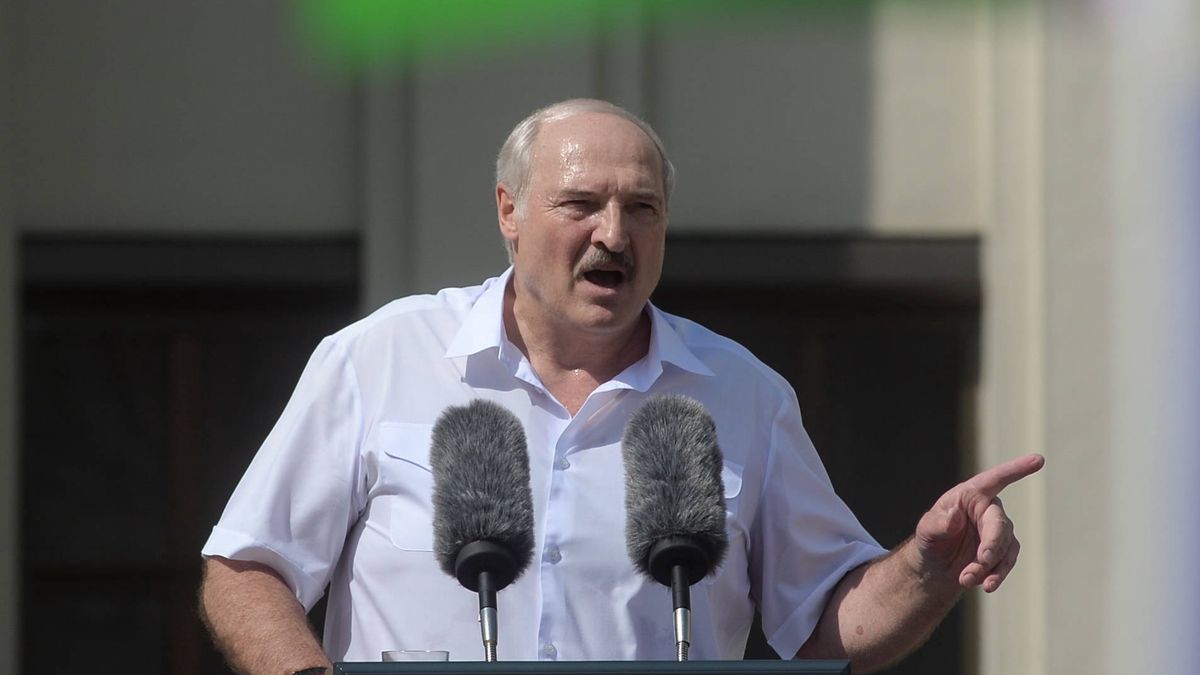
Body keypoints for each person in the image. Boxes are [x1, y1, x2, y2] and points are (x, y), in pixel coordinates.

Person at [199, 98, 1043, 675]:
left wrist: (929, 562)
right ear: (509, 211)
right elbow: (246, 567)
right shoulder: (380, 357)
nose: (614, 233)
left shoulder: (743, 395)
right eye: (581, 203)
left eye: (642, 208)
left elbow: (832, 623)